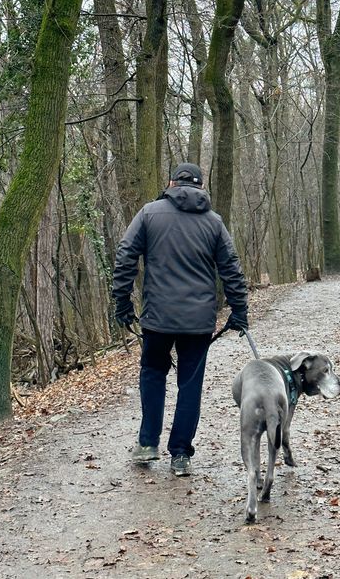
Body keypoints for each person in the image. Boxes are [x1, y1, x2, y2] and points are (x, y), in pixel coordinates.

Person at [112, 162, 249, 476]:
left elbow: (125, 256)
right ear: (201, 187)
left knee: (152, 374)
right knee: (190, 385)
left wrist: (122, 302)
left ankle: (147, 443)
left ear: (171, 182)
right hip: (197, 322)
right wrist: (239, 311)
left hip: (157, 318)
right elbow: (231, 268)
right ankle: (181, 455)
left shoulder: (149, 214)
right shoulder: (214, 222)